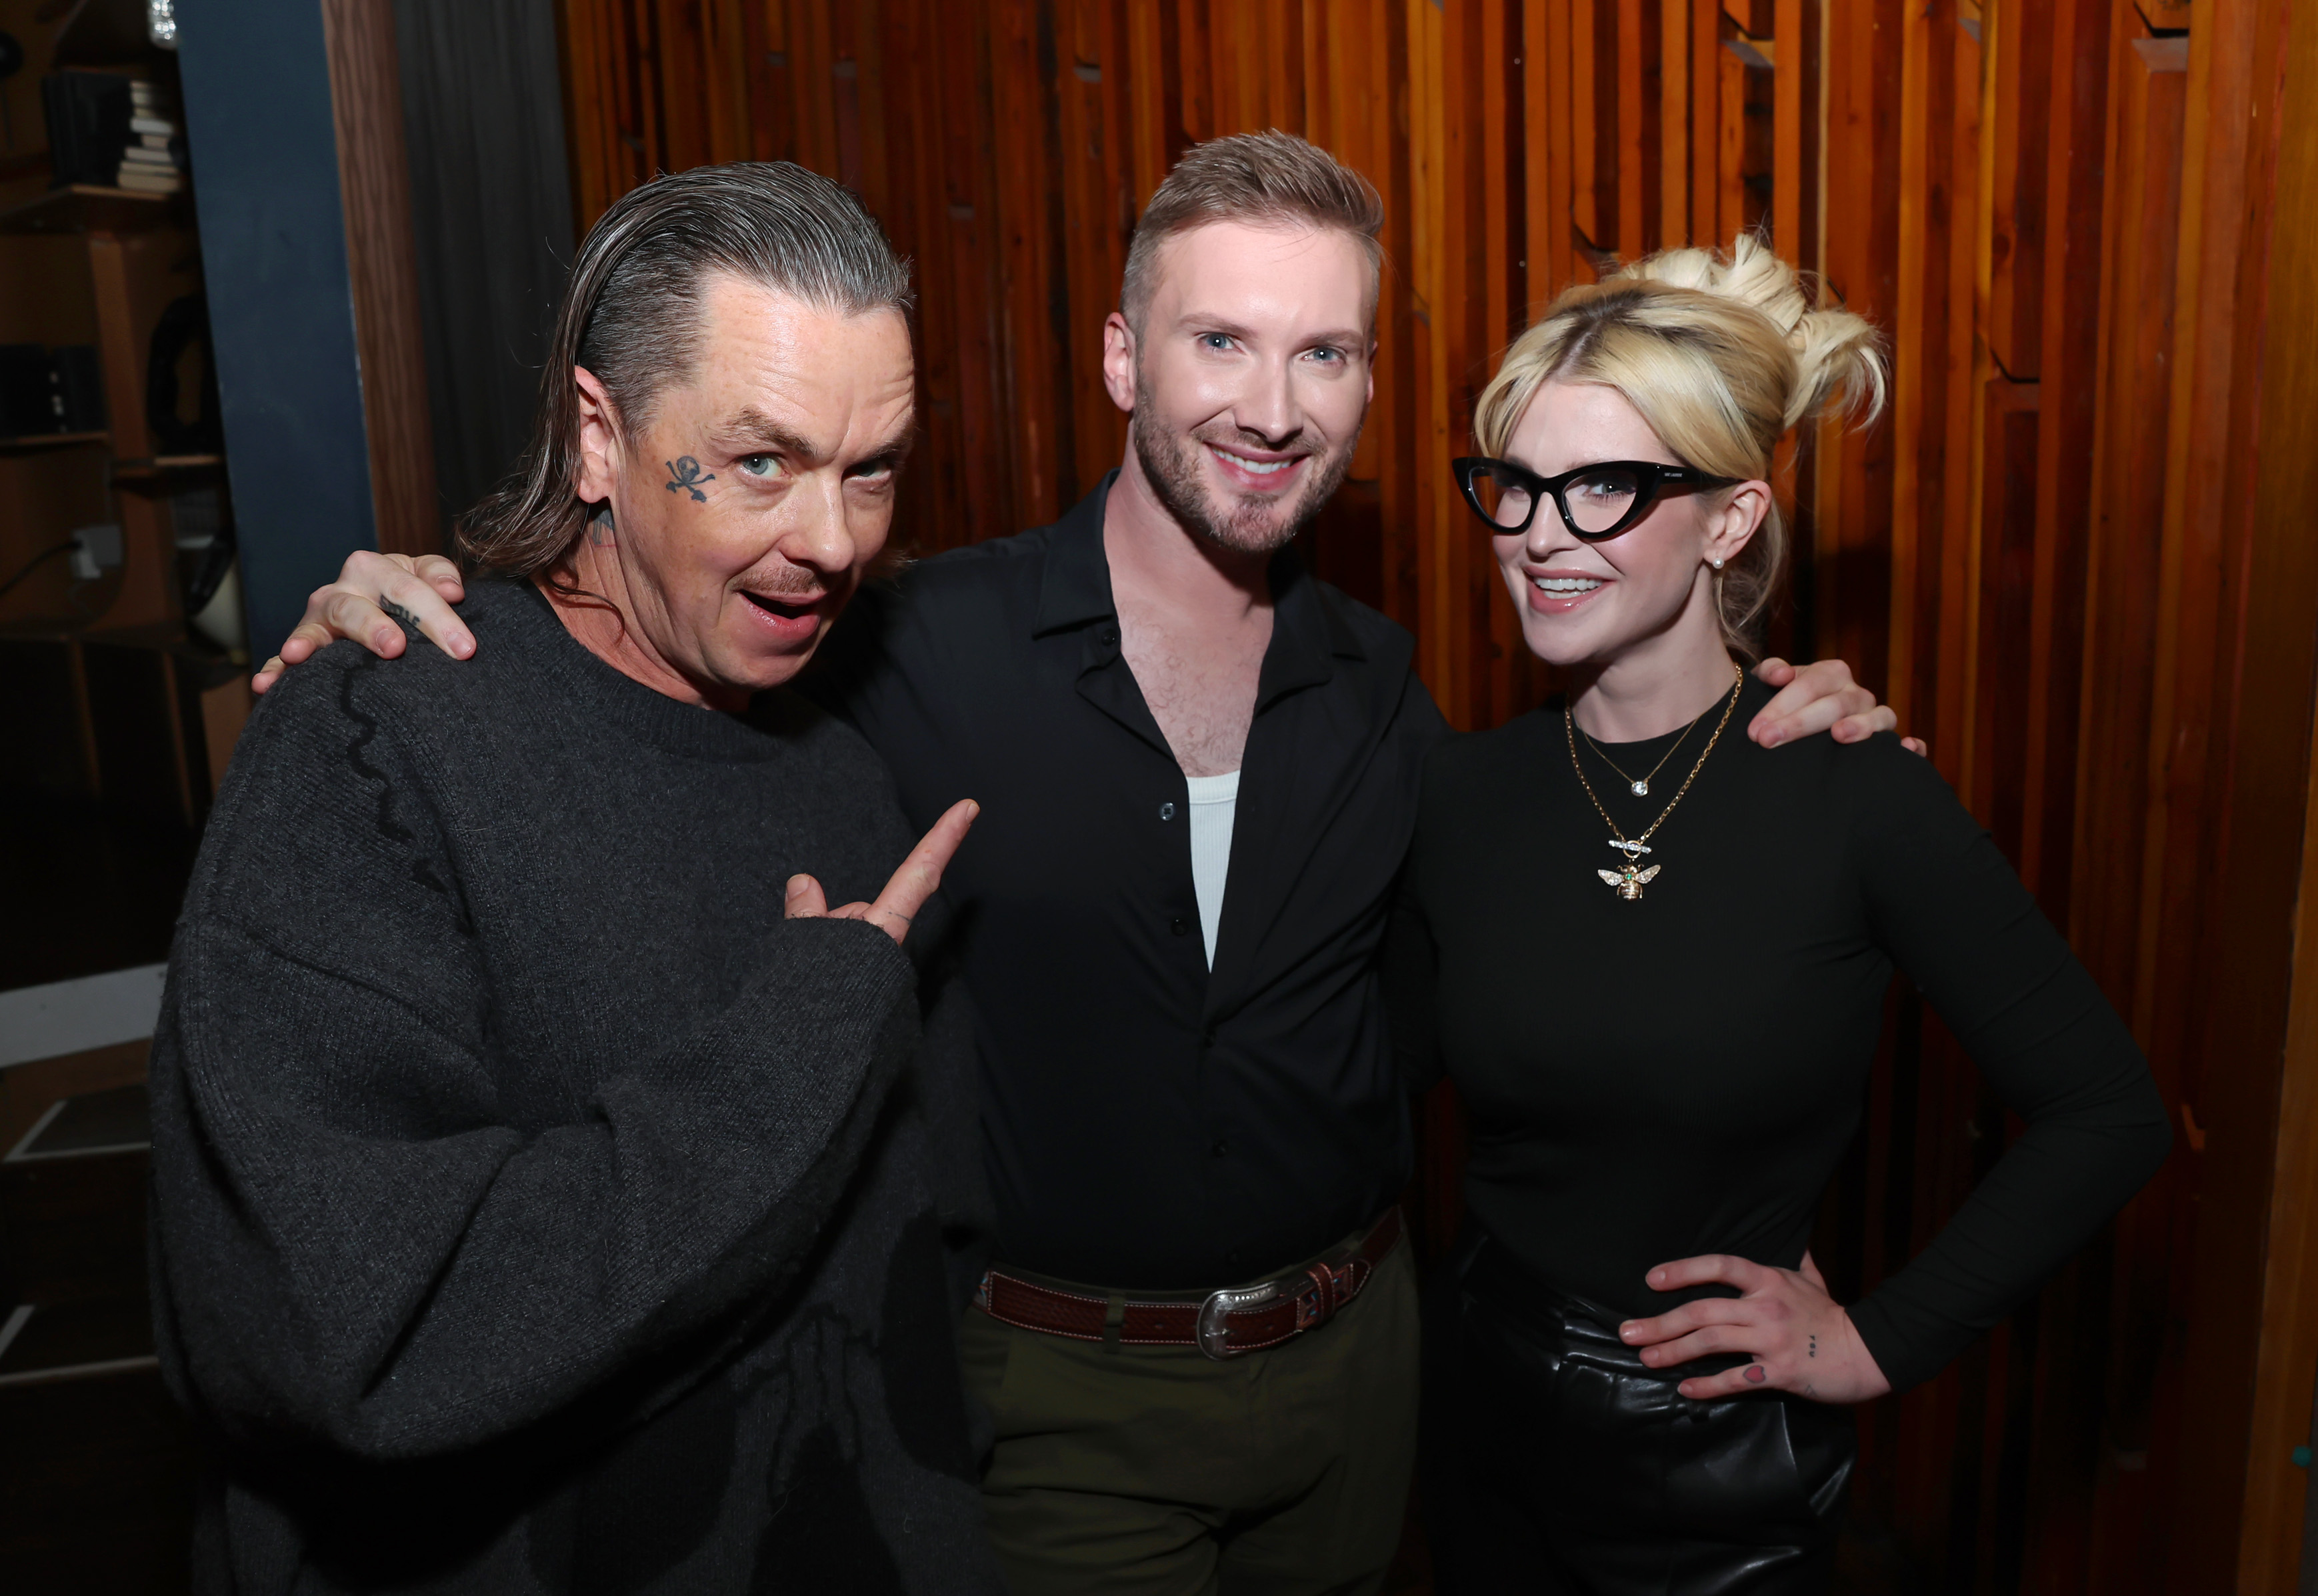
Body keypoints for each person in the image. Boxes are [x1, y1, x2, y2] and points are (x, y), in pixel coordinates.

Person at [252, 137, 1899, 1595]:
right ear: (1122, 356)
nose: (1272, 405)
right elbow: (646, 653)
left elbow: (1564, 949)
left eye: (1324, 349)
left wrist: (1766, 719)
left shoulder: (1389, 693)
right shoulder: (901, 643)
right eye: (1219, 341)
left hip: (1357, 1381)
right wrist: (427, 602)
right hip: (1048, 1406)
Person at [147, 163, 1003, 1595]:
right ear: (598, 439)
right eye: (759, 463)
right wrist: (795, 1047)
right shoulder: (378, 748)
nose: (835, 540)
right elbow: (351, 1333)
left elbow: (904, 1259)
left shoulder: (839, 764)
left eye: (871, 468)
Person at [1387, 237, 2172, 1593]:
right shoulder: (1459, 796)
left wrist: (1862, 1343)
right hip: (1474, 1437)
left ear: (1730, 520)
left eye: (1604, 490)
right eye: (1513, 488)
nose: (1538, 539)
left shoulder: (1858, 796)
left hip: (1718, 1478)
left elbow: (2107, 1110)